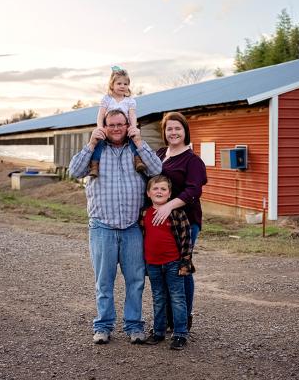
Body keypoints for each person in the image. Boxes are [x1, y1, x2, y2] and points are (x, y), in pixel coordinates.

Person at [69, 108, 162, 345]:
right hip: (102, 227)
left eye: (121, 124)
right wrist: (91, 143)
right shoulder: (96, 151)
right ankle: (103, 326)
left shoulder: (136, 150)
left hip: (132, 227)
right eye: (112, 125)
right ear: (104, 126)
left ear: (128, 125)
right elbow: (74, 171)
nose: (117, 128)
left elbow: (157, 170)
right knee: (104, 281)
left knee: (136, 280)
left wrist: (140, 141)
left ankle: (134, 326)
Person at [152, 111, 207, 331]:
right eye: (169, 128)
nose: (173, 132)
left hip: (185, 221)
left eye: (177, 128)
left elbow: (194, 190)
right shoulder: (159, 153)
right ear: (164, 132)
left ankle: (184, 317)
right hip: (160, 222)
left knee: (181, 268)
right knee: (163, 269)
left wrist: (168, 206)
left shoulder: (192, 160)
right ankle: (166, 318)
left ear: (185, 131)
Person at [139, 175, 194, 350]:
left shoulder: (176, 213)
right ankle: (158, 331)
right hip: (153, 264)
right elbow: (142, 238)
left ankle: (180, 334)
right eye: (155, 188)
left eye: (163, 189)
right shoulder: (144, 214)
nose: (159, 191)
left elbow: (186, 239)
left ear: (169, 194)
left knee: (178, 298)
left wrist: (185, 262)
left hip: (173, 263)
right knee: (158, 298)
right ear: (148, 193)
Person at [89, 66, 146, 178]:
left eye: (125, 84)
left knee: (133, 140)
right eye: (119, 83)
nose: (122, 86)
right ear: (112, 85)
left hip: (124, 127)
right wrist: (100, 128)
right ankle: (95, 164)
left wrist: (133, 127)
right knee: (98, 143)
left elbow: (132, 115)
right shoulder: (107, 99)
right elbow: (100, 115)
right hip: (109, 128)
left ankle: (137, 159)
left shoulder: (130, 101)